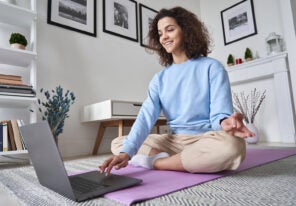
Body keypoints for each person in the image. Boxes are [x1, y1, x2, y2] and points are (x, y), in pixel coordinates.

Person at [99, 7, 254, 175]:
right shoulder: (159, 79)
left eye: (170, 30)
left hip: (206, 138)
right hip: (173, 141)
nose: (164, 37)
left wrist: (226, 123)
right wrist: (126, 153)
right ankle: (182, 159)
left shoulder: (212, 67)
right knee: (119, 143)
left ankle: (158, 163)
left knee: (233, 146)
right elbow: (146, 117)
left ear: (186, 31)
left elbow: (219, 115)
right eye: (160, 33)